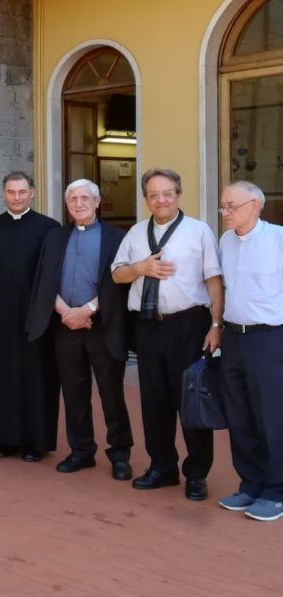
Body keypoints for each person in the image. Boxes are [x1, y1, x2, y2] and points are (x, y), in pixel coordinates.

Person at [111, 168, 222, 501]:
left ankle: (197, 473)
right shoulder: (134, 233)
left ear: (178, 194)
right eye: (154, 194)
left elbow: (214, 280)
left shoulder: (198, 231)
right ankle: (163, 467)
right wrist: (141, 268)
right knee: (154, 400)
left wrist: (217, 325)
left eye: (168, 193)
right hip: (147, 326)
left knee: (190, 398)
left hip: (187, 325)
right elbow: (117, 275)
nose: (161, 199)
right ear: (146, 198)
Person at [27, 179, 134, 481]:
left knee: (111, 394)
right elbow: (45, 280)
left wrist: (87, 310)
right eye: (72, 199)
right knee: (73, 393)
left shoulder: (117, 238)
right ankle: (82, 451)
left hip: (102, 325)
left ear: (98, 202)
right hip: (65, 325)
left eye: (85, 198)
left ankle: (120, 453)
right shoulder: (55, 237)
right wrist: (65, 312)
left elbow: (118, 284)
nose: (78, 203)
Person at [0, 172, 60, 462]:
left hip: (37, 317)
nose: (17, 197)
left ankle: (35, 441)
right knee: (1, 377)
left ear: (32, 193)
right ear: (3, 193)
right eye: (11, 192)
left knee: (36, 378)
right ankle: (5, 438)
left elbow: (53, 276)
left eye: (22, 192)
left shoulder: (50, 228)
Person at [216, 181, 283, 522]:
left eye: (232, 206)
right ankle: (250, 483)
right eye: (223, 206)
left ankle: (275, 490)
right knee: (239, 416)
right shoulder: (226, 241)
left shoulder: (278, 240)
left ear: (255, 205)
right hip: (234, 338)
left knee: (271, 417)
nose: (225, 212)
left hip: (270, 338)